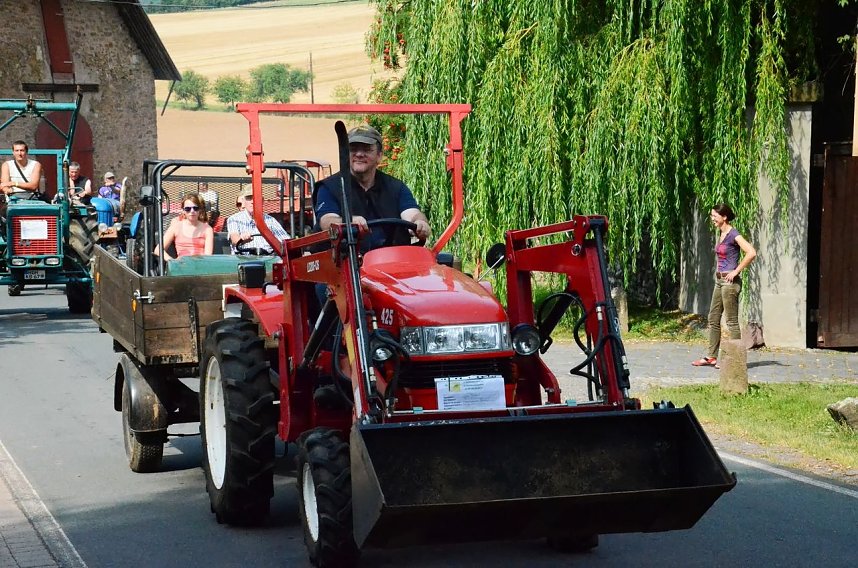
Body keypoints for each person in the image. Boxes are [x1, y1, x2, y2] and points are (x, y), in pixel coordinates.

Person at [315, 125, 430, 251]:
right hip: (343, 258)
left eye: (367, 149)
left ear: (379, 156)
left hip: (392, 258)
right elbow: (327, 221)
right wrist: (348, 222)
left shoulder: (396, 187)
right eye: (353, 149)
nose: (359, 154)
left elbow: (412, 214)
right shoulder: (329, 187)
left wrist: (420, 222)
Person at [692, 204, 757, 368]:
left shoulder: (734, 234)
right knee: (713, 318)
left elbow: (751, 252)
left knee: (732, 322)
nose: (712, 219)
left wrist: (736, 271)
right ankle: (711, 356)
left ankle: (735, 359)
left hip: (729, 283)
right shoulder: (721, 233)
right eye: (712, 216)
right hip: (719, 281)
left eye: (715, 216)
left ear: (724, 217)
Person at [227, 186, 291, 255]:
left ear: (262, 201)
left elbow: (286, 241)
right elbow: (235, 240)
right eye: (249, 198)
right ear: (243, 201)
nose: (252, 201)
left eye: (256, 198)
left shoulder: (271, 220)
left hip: (267, 257)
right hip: (243, 258)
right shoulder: (234, 219)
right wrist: (242, 239)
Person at [154, 193, 214, 259]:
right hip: (182, 264)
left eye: (195, 208)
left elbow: (208, 256)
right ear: (183, 211)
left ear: (200, 210)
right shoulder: (176, 227)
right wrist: (172, 261)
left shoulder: (207, 229)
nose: (192, 211)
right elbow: (158, 250)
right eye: (188, 209)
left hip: (200, 263)